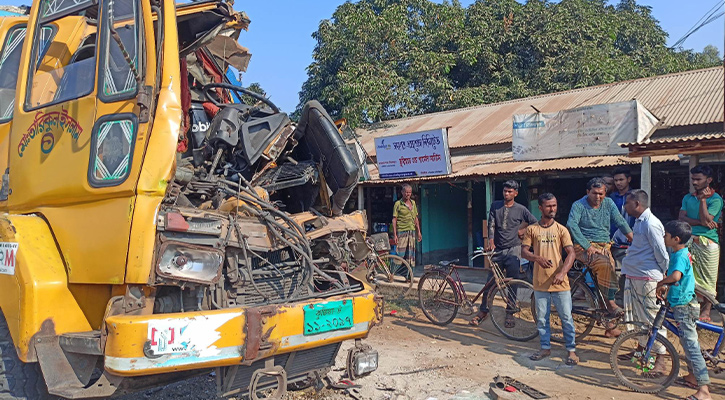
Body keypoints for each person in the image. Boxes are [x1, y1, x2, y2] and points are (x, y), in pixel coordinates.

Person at [566, 177, 633, 337]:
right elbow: (572, 225)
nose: (598, 197)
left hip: (604, 246)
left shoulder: (608, 203)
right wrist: (588, 246)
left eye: (601, 194)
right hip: (582, 246)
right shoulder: (578, 205)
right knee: (604, 265)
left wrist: (634, 240)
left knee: (609, 275)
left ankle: (608, 324)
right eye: (594, 193)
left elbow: (621, 222)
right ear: (588, 192)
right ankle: (610, 304)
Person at [656, 221, 712, 400]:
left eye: (666, 234)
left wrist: (661, 283)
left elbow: (676, 276)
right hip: (682, 302)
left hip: (684, 306)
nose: (663, 237)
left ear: (676, 239)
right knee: (687, 343)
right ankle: (693, 377)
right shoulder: (680, 251)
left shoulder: (679, 255)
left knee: (692, 346)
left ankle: (704, 391)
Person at [469, 180, 537, 326]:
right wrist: (491, 240)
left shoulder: (521, 209)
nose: (506, 193)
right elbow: (491, 223)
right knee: (490, 282)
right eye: (505, 191)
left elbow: (534, 222)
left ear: (515, 193)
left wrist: (522, 230)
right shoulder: (496, 206)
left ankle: (510, 313)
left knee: (512, 283)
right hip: (498, 250)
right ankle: (483, 310)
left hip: (514, 250)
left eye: (510, 191)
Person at [522, 193, 578, 365]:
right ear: (540, 208)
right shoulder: (532, 229)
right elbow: (524, 251)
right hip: (540, 283)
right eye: (548, 206)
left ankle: (571, 350)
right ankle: (545, 348)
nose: (552, 209)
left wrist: (562, 274)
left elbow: (571, 253)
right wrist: (537, 258)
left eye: (554, 205)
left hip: (561, 284)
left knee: (566, 318)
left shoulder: (561, 229)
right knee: (541, 318)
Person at [618, 189, 669, 373]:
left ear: (637, 204)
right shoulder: (640, 222)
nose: (625, 206)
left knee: (653, 318)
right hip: (636, 275)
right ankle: (640, 352)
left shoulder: (651, 223)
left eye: (627, 203)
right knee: (640, 319)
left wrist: (664, 275)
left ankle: (661, 360)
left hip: (647, 278)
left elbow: (661, 253)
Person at [678, 164, 723, 322]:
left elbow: (706, 220)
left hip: (708, 244)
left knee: (709, 279)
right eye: (693, 179)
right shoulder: (688, 197)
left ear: (709, 180)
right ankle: (691, 307)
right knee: (689, 276)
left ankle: (707, 311)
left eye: (698, 179)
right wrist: (701, 222)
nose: (695, 182)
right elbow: (681, 218)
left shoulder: (716, 200)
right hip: (690, 240)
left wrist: (703, 200)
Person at [610, 167, 635, 305]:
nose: (618, 183)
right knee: (617, 272)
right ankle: (619, 301)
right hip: (615, 241)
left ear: (628, 179)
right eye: (616, 180)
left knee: (628, 272)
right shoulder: (611, 198)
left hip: (632, 241)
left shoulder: (634, 196)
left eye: (621, 179)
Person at [392, 183, 422, 281]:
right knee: (400, 254)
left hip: (412, 231)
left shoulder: (413, 203)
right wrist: (395, 235)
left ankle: (409, 277)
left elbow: (416, 218)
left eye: (409, 192)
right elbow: (394, 219)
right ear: (402, 192)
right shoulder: (398, 204)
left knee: (411, 255)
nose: (407, 194)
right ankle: (391, 274)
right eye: (406, 192)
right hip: (402, 231)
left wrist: (419, 232)